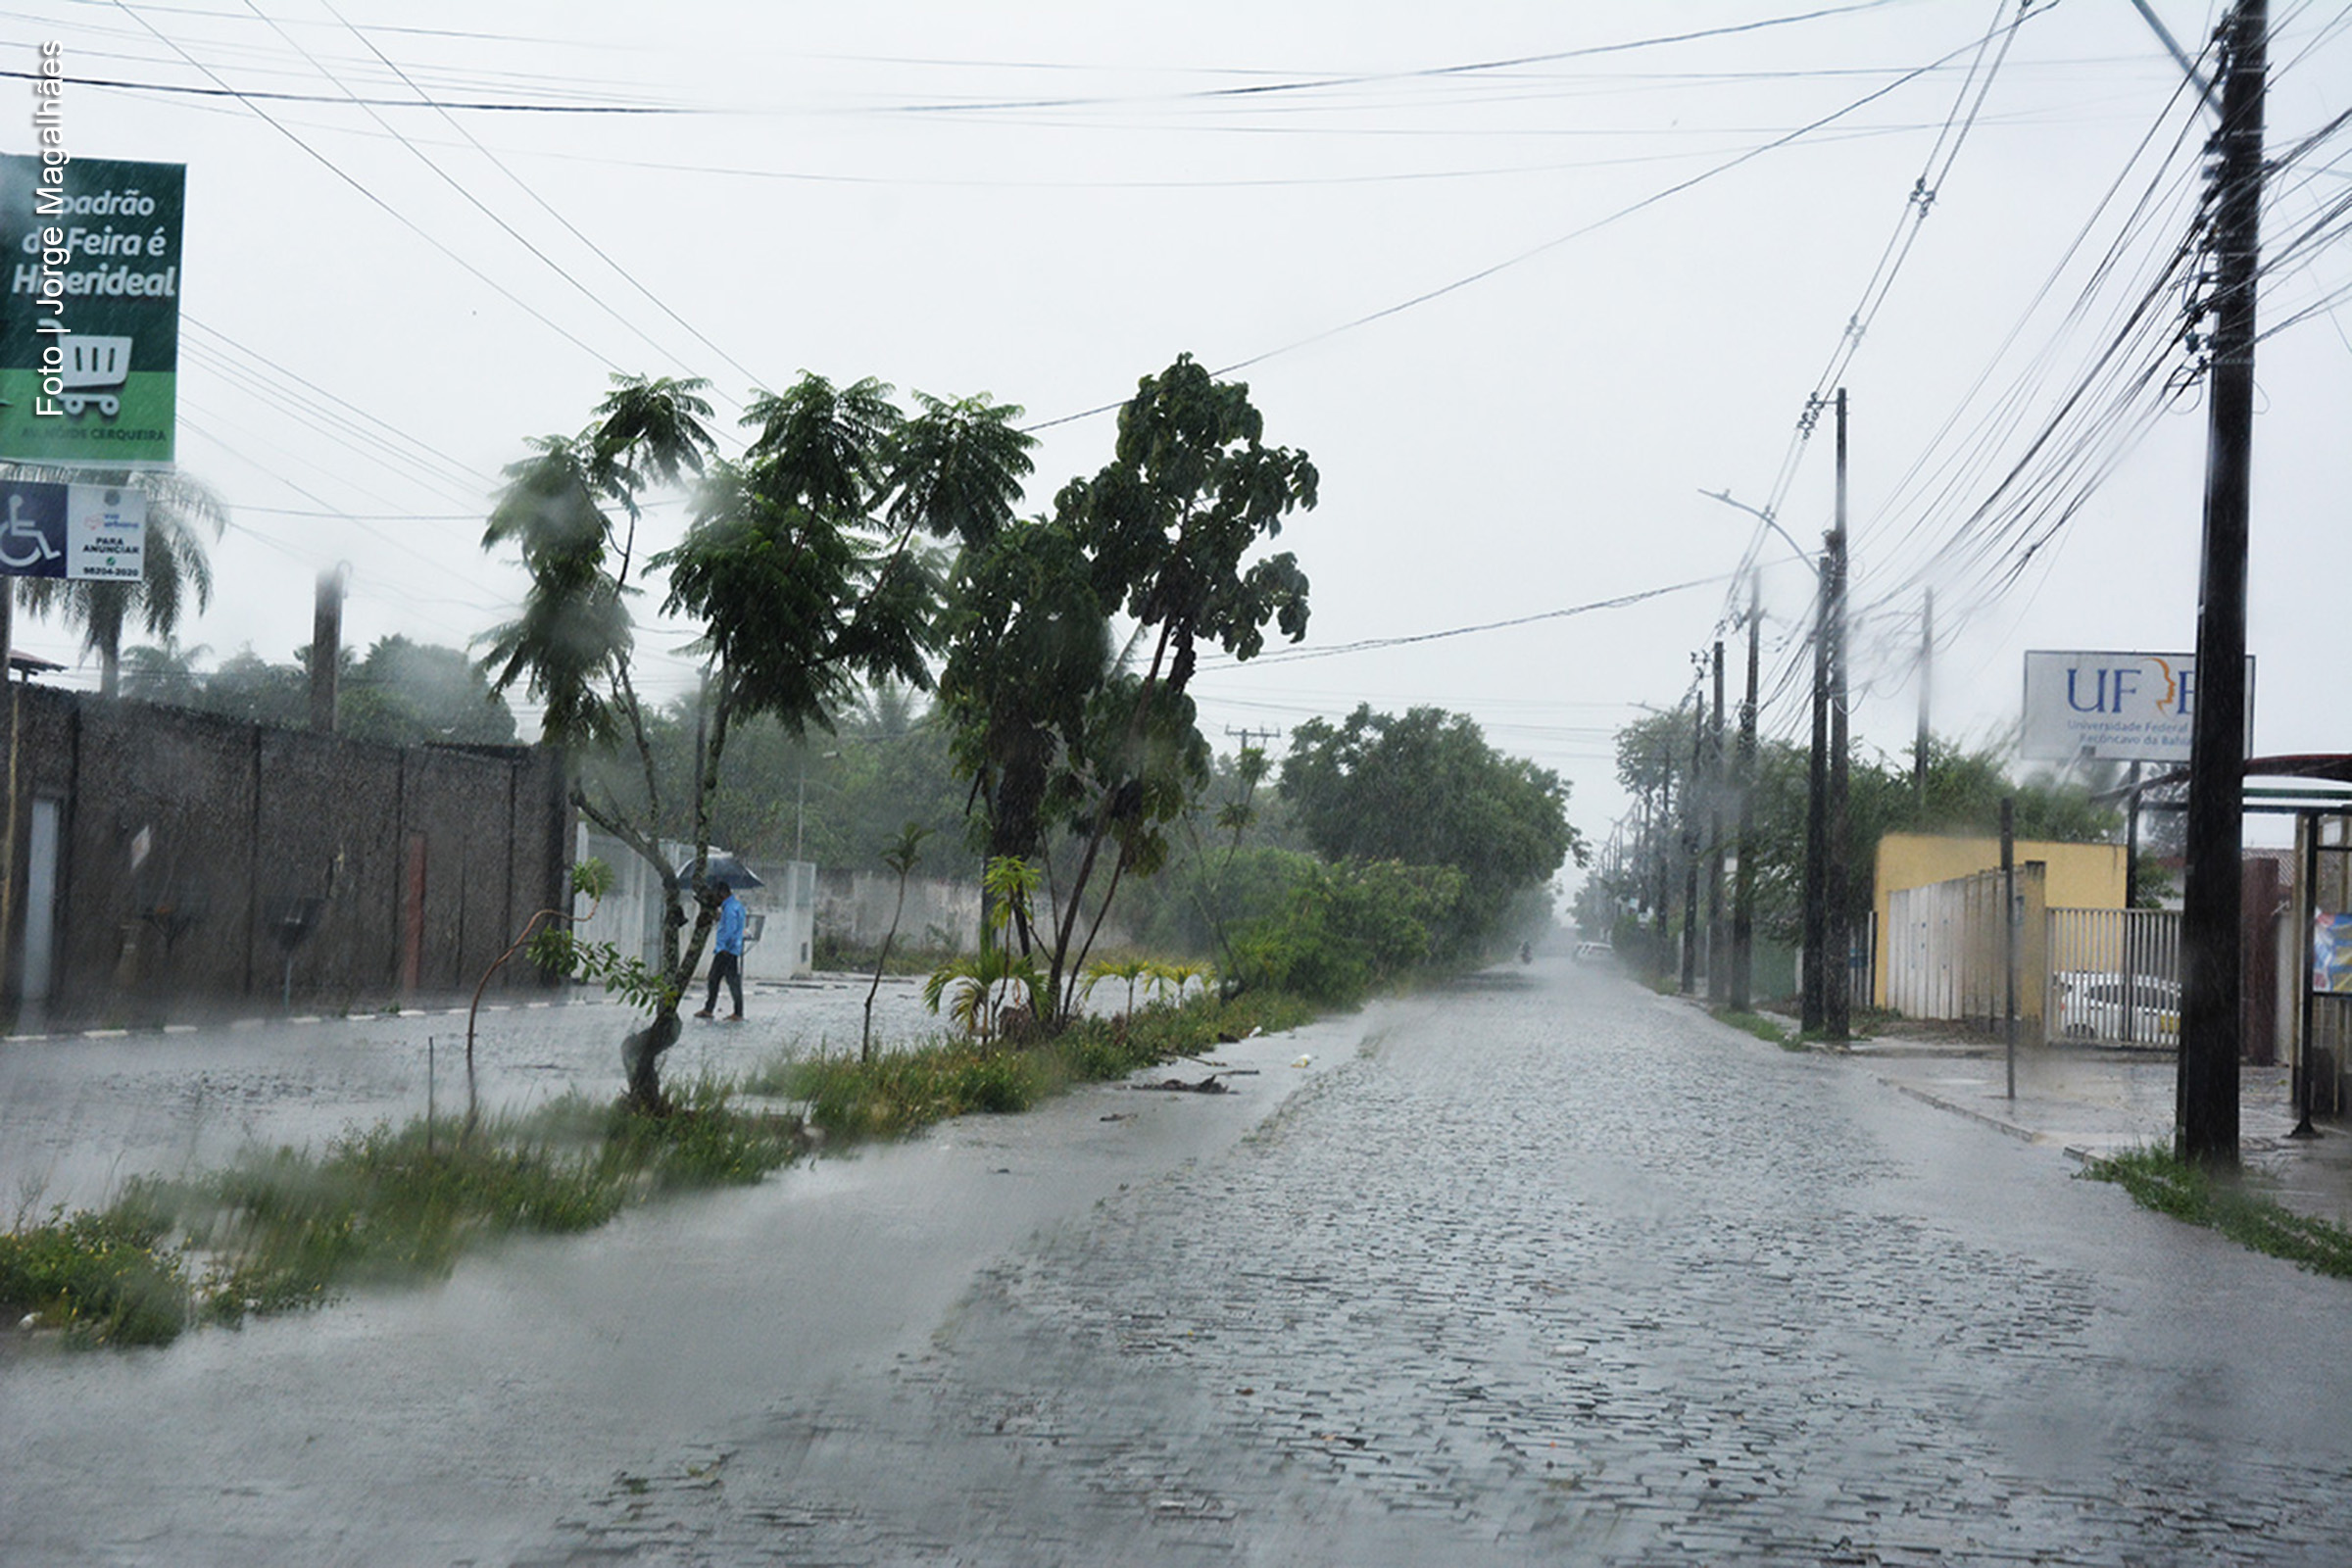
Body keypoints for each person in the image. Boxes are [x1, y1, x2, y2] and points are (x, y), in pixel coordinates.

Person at [694, 878, 747, 1022]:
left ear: (722, 894)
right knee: (727, 980)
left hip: (726, 950)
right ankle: (733, 1011)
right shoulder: (735, 906)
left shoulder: (729, 909)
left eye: (715, 896)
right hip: (732, 949)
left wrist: (724, 948)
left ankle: (715, 1010)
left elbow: (730, 930)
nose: (715, 900)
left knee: (716, 979)